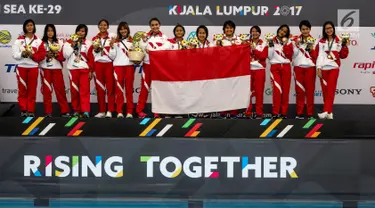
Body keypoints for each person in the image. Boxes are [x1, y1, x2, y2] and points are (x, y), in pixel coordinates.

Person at [136, 17, 170, 118]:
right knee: (144, 88)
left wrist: (153, 50)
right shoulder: (145, 37)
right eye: (153, 25)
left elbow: (166, 48)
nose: (155, 26)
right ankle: (139, 110)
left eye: (156, 24)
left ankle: (157, 111)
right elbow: (142, 47)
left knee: (157, 89)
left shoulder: (164, 37)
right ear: (150, 26)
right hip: (147, 65)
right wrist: (143, 42)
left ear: (159, 25)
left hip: (158, 66)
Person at [12, 19, 46, 117]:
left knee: (32, 90)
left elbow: (41, 56)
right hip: (21, 67)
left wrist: (32, 55)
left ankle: (30, 110)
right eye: (27, 25)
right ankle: (23, 110)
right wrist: (22, 53)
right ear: (25, 27)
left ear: (34, 27)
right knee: (22, 90)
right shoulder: (19, 40)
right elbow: (15, 55)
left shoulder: (38, 41)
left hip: (33, 67)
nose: (30, 27)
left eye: (31, 25)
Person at [316, 21, 349, 119]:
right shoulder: (321, 41)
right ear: (324, 30)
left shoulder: (339, 40)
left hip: (334, 68)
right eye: (326, 28)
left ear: (333, 28)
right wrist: (318, 68)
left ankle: (325, 111)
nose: (329, 30)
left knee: (330, 90)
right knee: (325, 91)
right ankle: (330, 113)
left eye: (330, 28)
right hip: (323, 68)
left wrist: (344, 45)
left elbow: (343, 56)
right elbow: (320, 55)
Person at [40, 24, 70, 117]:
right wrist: (46, 55)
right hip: (45, 69)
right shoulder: (41, 43)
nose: (50, 32)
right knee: (47, 92)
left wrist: (56, 55)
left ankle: (64, 111)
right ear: (45, 32)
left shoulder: (59, 42)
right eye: (48, 31)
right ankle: (48, 112)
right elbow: (38, 57)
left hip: (57, 69)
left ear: (54, 32)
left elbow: (63, 58)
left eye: (52, 30)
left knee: (60, 91)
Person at [63, 24, 92, 118]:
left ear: (85, 33)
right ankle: (76, 110)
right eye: (79, 30)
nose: (81, 33)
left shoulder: (88, 43)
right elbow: (65, 55)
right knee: (74, 91)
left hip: (84, 69)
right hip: (72, 69)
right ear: (76, 31)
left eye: (83, 31)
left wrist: (91, 70)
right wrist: (72, 45)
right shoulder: (68, 42)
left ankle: (85, 111)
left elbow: (91, 58)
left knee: (84, 91)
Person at [90, 19, 117, 118]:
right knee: (100, 88)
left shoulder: (111, 38)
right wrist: (96, 50)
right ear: (98, 26)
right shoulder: (94, 38)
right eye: (101, 25)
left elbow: (114, 56)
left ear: (108, 27)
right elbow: (92, 55)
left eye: (105, 25)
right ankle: (101, 111)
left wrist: (112, 46)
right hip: (98, 65)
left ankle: (110, 110)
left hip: (109, 64)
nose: (103, 27)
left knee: (110, 88)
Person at [292, 20, 318, 119]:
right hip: (298, 68)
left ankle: (310, 113)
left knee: (310, 92)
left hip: (310, 68)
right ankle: (299, 113)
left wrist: (311, 49)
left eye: (307, 29)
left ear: (310, 29)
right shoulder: (296, 40)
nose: (305, 31)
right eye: (303, 29)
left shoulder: (314, 41)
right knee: (299, 92)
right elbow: (292, 55)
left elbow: (316, 57)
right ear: (300, 30)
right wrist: (296, 46)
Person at [108, 22, 134, 118]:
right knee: (119, 91)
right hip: (118, 67)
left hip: (129, 66)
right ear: (119, 31)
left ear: (128, 29)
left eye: (125, 28)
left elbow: (137, 55)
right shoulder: (115, 42)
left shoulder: (133, 41)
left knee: (129, 90)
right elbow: (111, 56)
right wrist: (111, 47)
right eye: (121, 29)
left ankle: (129, 112)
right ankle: (119, 111)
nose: (123, 31)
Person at [268, 24, 293, 119]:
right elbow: (270, 56)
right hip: (275, 67)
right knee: (277, 90)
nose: (282, 32)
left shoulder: (289, 42)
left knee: (285, 91)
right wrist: (270, 46)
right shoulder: (271, 40)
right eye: (281, 30)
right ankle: (275, 112)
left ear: (287, 34)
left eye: (285, 31)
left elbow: (289, 55)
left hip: (286, 67)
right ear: (278, 30)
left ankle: (284, 112)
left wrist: (286, 44)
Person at [245, 26, 268, 119]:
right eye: (252, 31)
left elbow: (263, 56)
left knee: (259, 91)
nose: (254, 33)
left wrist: (254, 49)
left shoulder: (264, 43)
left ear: (259, 33)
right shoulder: (246, 43)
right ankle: (248, 111)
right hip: (248, 70)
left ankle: (259, 112)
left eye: (256, 31)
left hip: (259, 69)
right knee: (248, 92)